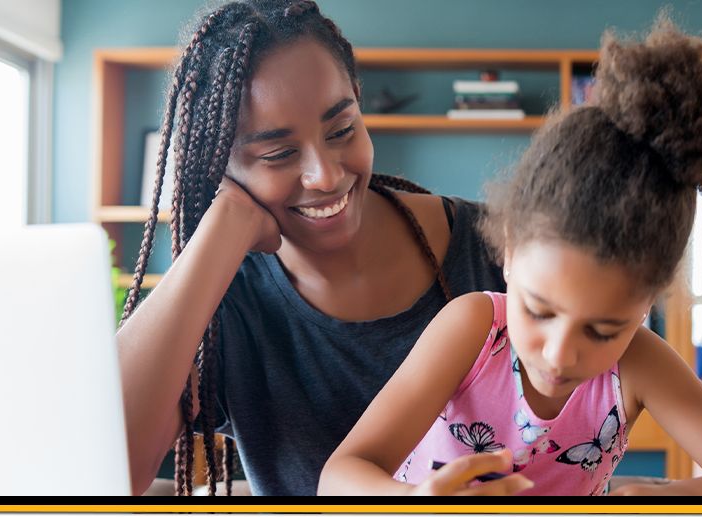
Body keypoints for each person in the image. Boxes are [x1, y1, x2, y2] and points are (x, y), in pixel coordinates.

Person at [318, 17, 702, 496]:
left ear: (647, 302)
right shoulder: (473, 329)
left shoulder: (637, 363)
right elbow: (341, 476)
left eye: (602, 330)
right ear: (509, 250)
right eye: (539, 310)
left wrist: (653, 497)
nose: (559, 354)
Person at [114, 0, 507, 496]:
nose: (326, 175)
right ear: (221, 166)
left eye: (342, 129)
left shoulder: (493, 245)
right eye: (278, 154)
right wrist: (223, 227)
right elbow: (104, 471)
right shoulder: (227, 306)